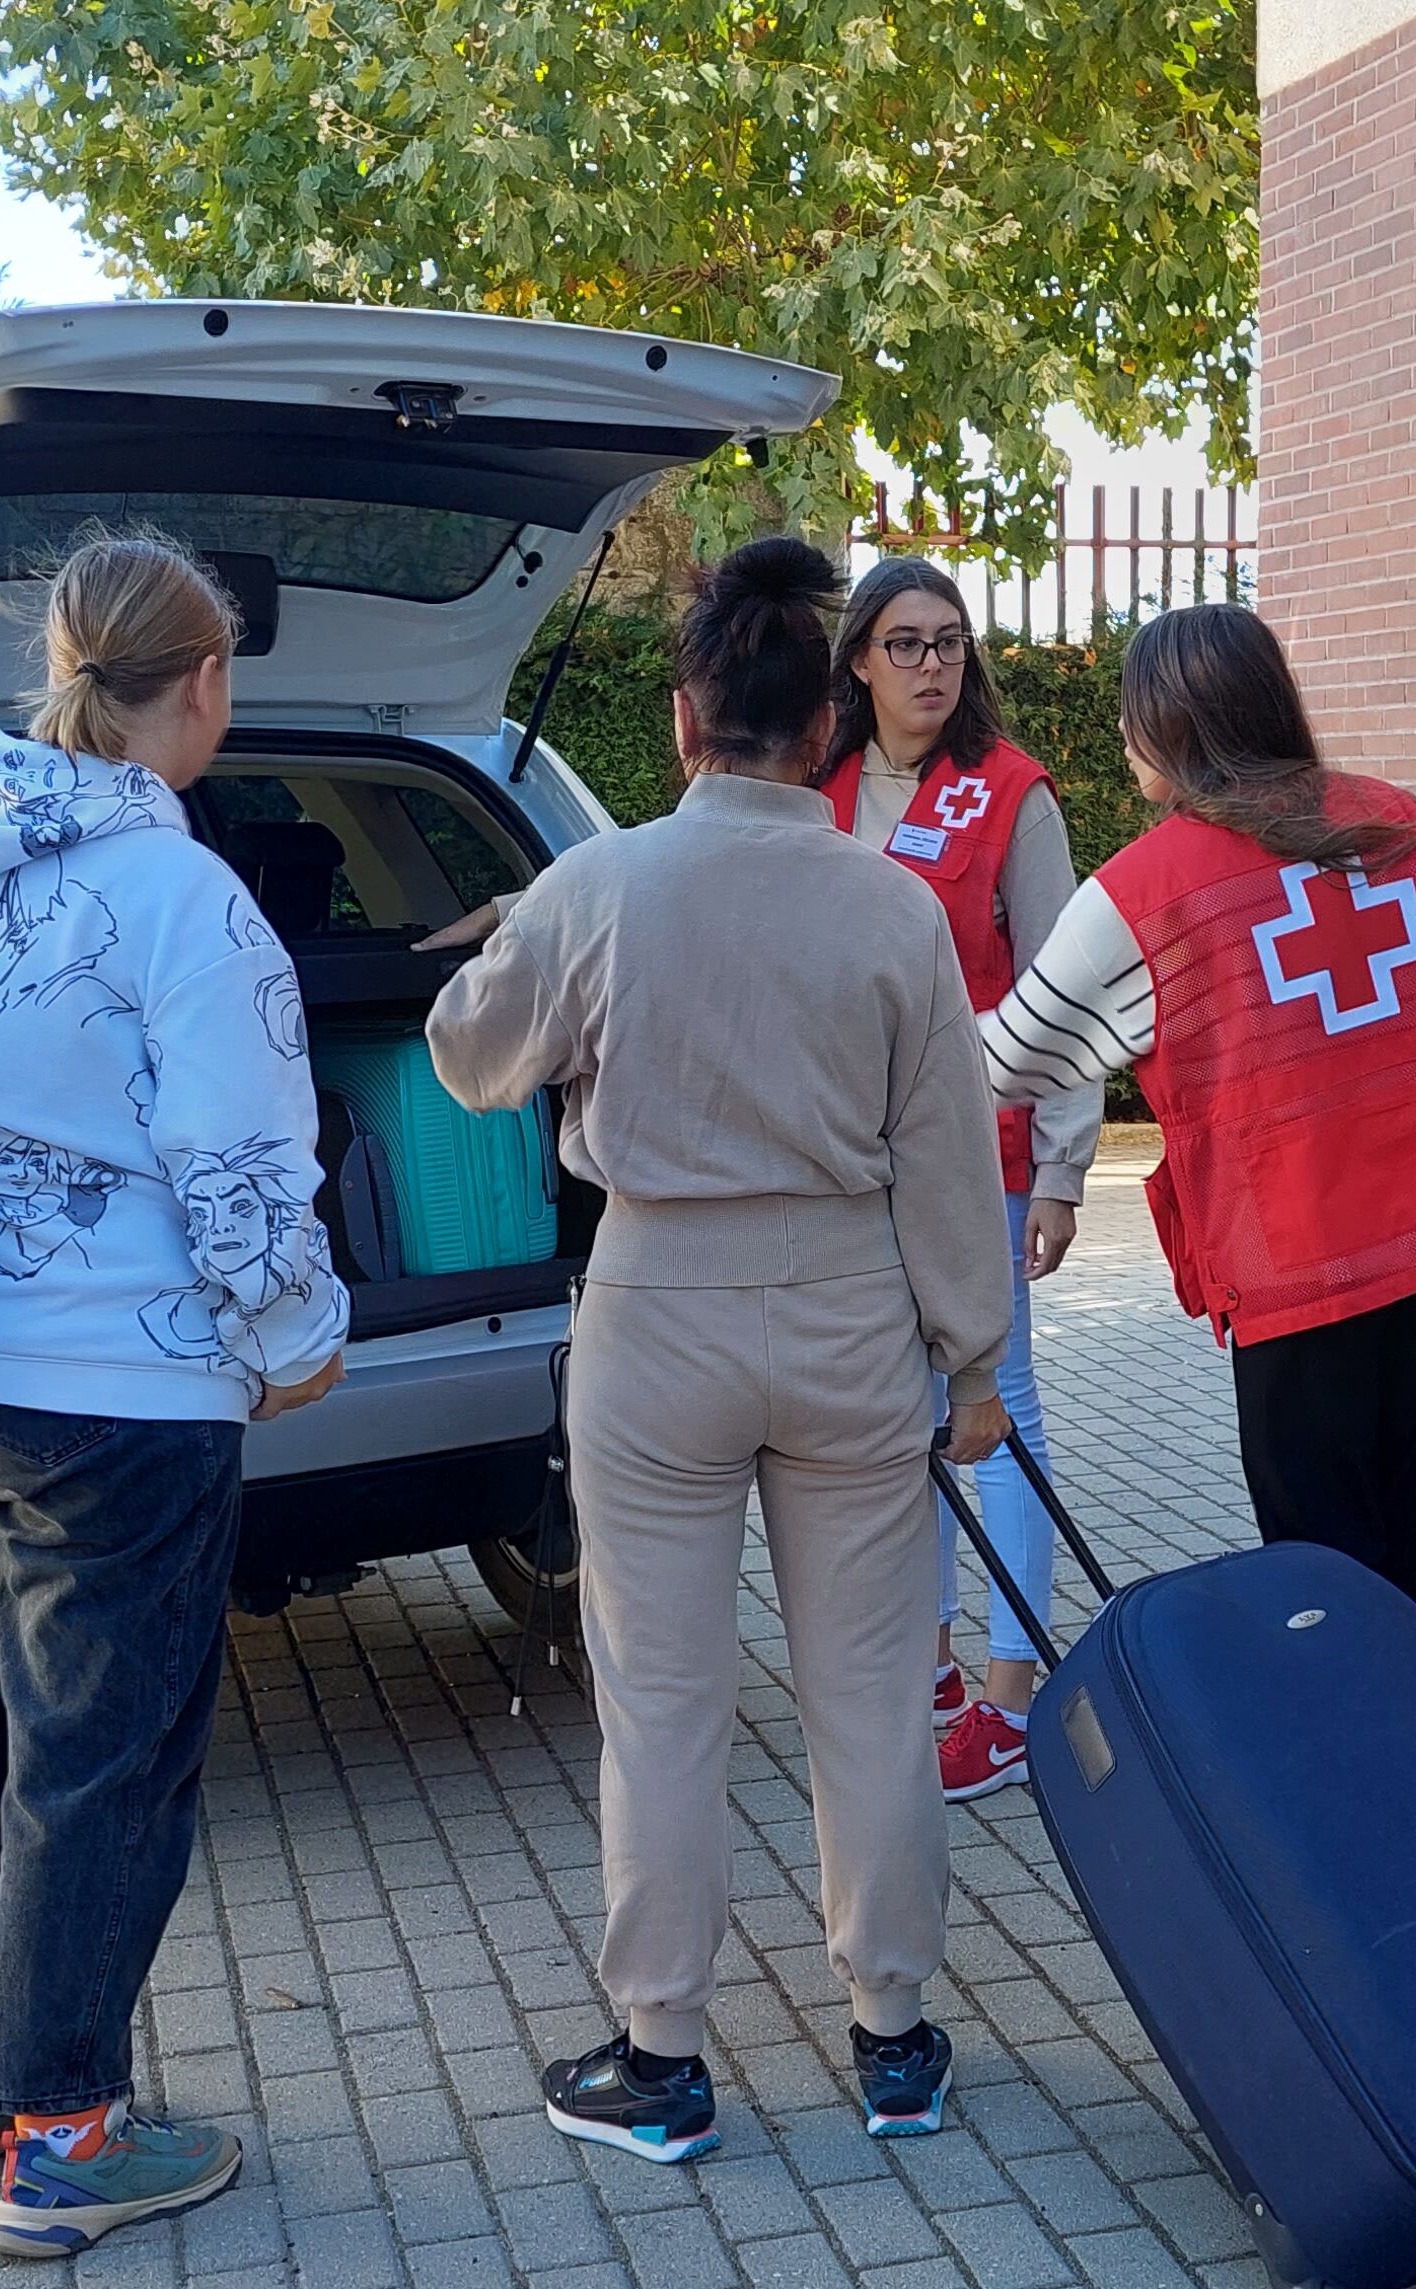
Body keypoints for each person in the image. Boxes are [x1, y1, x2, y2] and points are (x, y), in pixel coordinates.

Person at [426, 536, 1015, 2161]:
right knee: (872, 1693)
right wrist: (970, 1365)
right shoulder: (891, 909)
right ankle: (892, 2035)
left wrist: (510, 955)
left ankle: (661, 2050)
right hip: (847, 1315)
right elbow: (946, 1157)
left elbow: (468, 1055)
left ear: (683, 718)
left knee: (664, 1699)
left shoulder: (598, 885)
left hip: (656, 1312)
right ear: (824, 729)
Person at [0, 532, 351, 2258]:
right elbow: (231, 1157)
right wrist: (292, 1335)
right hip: (110, 1397)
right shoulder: (179, 894)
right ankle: (63, 2131)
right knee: (98, 1755)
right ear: (199, 682)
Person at [984, 602, 1416, 1637]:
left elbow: (1009, 1058)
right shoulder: (1402, 826)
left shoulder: (1146, 889)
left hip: (1304, 1278)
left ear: (1172, 724)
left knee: (1324, 1571)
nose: (1120, 736)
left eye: (1130, 714)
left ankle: (1352, 1777)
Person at [819, 559, 1097, 1804]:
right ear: (861, 661)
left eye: (950, 643)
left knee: (1000, 1407)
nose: (934, 665)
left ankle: (1010, 1692)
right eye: (906, 643)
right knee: (906, 1414)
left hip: (979, 1156)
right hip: (848, 1157)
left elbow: (1067, 989)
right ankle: (930, 1669)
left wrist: (1063, 1171)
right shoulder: (817, 788)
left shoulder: (1012, 794)